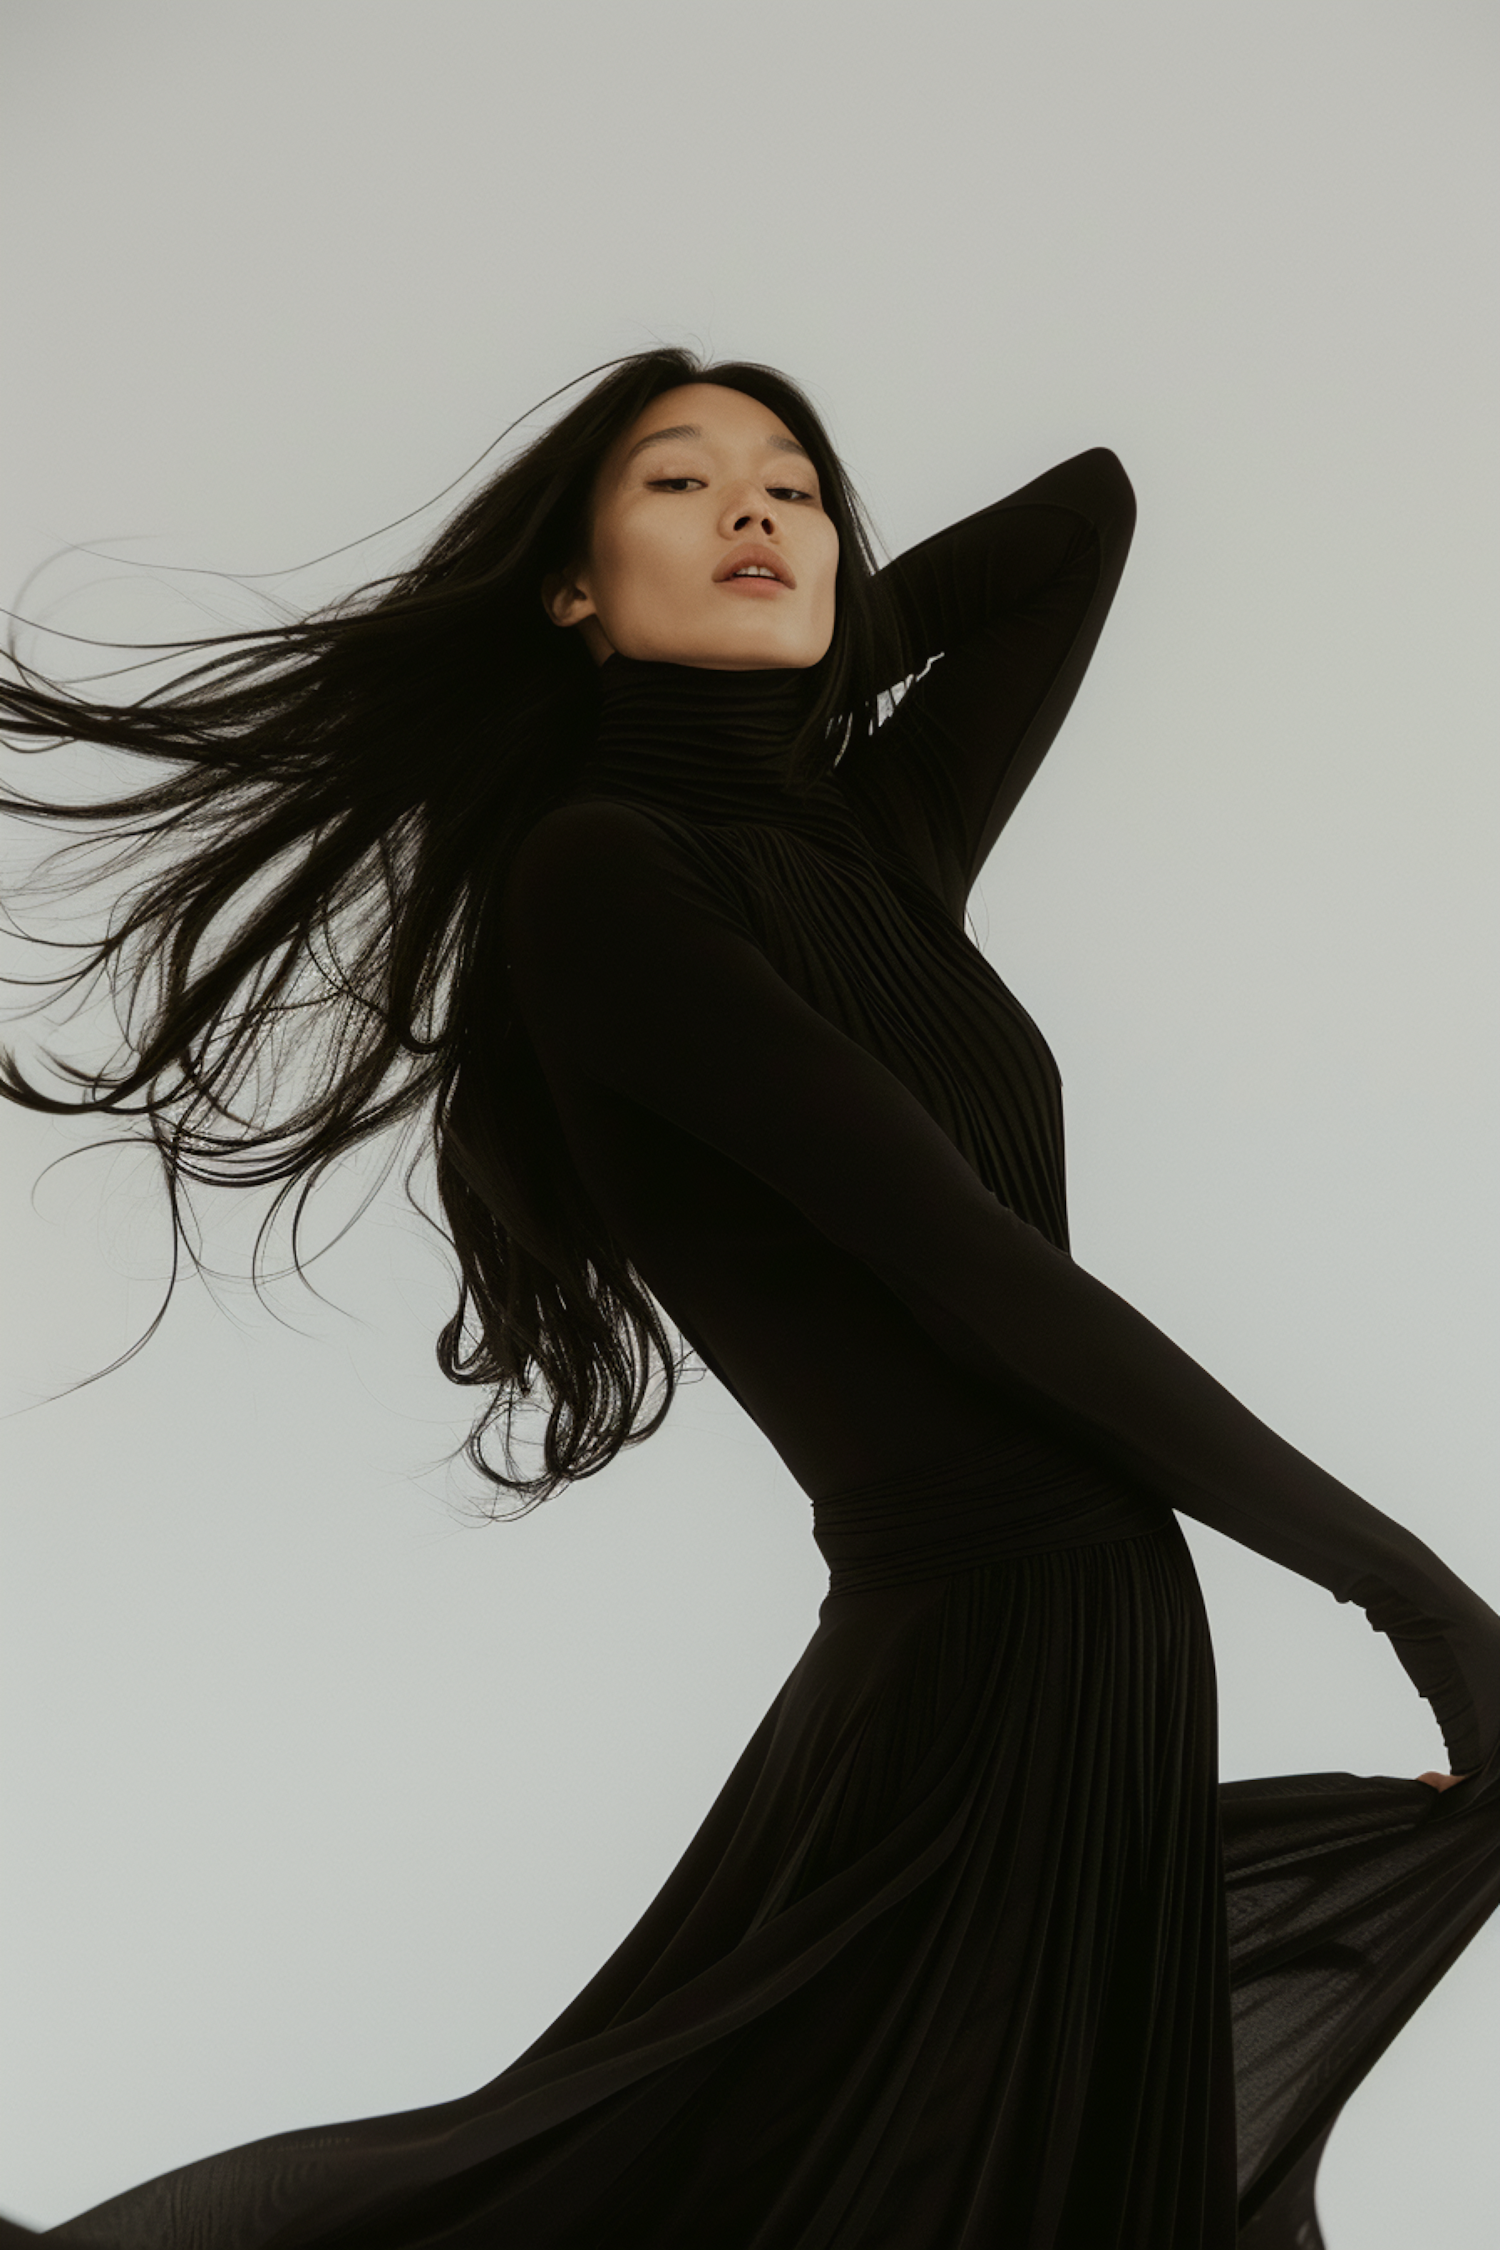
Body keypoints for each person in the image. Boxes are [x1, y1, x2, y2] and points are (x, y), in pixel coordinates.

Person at [0, 347, 1496, 2249]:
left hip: (1081, 1661)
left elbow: (1085, 516)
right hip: (976, 1676)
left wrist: (803, 656)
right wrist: (1409, 1589)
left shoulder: (877, 843)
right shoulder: (603, 877)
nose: (757, 511)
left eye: (793, 486)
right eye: (681, 484)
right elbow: (971, 1267)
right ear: (570, 585)